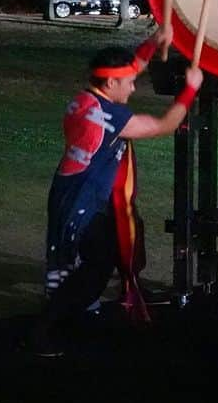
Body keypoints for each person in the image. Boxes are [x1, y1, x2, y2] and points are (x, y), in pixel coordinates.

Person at [29, 27, 203, 356]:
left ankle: (74, 312)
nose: (134, 85)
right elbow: (164, 125)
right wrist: (190, 90)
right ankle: (45, 329)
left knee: (106, 252)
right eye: (129, 83)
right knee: (95, 267)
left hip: (73, 191)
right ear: (111, 84)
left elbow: (130, 68)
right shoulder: (111, 117)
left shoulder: (85, 98)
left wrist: (154, 42)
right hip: (82, 200)